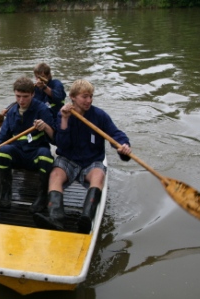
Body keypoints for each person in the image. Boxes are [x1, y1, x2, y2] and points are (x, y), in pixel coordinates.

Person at [33, 79, 132, 234]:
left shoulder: (99, 115)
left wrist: (123, 146)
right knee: (55, 175)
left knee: (98, 176)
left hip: (92, 161)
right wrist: (65, 120)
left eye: (91, 96)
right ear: (73, 97)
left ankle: (86, 218)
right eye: (84, 97)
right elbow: (62, 144)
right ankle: (56, 219)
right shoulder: (63, 114)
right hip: (68, 159)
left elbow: (115, 134)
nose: (89, 100)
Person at [0, 77, 55, 213]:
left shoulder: (43, 110)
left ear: (33, 94)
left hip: (36, 153)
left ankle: (42, 197)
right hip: (19, 152)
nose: (21, 101)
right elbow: (2, 137)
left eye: (25, 97)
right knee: (3, 150)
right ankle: (6, 194)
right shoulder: (11, 113)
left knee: (45, 155)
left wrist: (45, 127)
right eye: (18, 96)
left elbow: (55, 139)